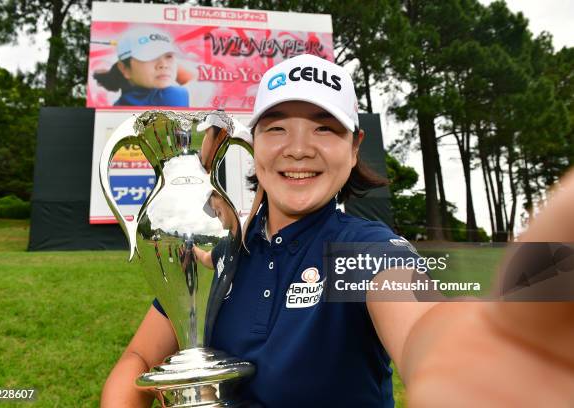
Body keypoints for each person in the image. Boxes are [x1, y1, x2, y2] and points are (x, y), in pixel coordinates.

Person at [101, 54, 574, 407]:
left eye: (325, 129)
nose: (299, 149)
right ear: (252, 144)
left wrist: (467, 358)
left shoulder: (364, 251)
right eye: (277, 128)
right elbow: (137, 362)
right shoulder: (216, 256)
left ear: (354, 148)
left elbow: (422, 325)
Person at [93, 27, 189, 107]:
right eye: (150, 56)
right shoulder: (175, 94)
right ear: (124, 68)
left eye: (169, 56)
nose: (163, 65)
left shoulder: (117, 105)